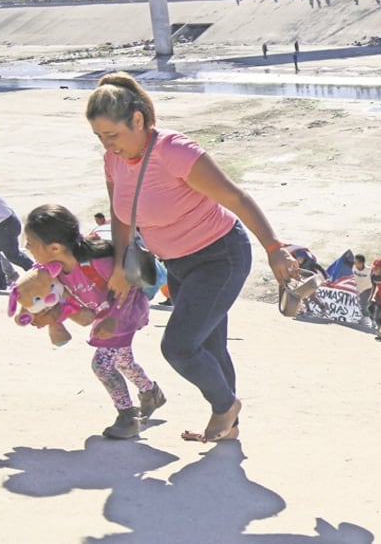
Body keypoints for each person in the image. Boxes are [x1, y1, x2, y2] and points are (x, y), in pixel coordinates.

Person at [86, 72, 297, 443]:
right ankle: (228, 427)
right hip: (177, 263)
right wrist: (120, 266)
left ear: (137, 120)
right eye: (100, 137)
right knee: (210, 346)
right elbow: (120, 213)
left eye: (113, 135)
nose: (108, 145)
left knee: (179, 346)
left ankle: (225, 407)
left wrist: (274, 248)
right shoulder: (113, 160)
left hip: (220, 256)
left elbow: (236, 198)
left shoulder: (175, 151)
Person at [23, 204, 166, 439]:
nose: (26, 248)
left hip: (125, 312)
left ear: (55, 247)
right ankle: (151, 393)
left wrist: (113, 318)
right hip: (104, 316)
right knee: (123, 361)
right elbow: (64, 296)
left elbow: (128, 286)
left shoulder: (97, 261)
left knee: (102, 365)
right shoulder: (54, 269)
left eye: (30, 243)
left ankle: (127, 416)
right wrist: (49, 314)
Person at [352, 254, 373, 325]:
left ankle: (372, 320)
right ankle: (362, 318)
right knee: (357, 304)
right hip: (357, 289)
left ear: (361, 263)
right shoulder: (353, 267)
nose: (354, 264)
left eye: (356, 262)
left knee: (363, 305)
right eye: (354, 262)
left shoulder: (369, 270)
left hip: (367, 289)